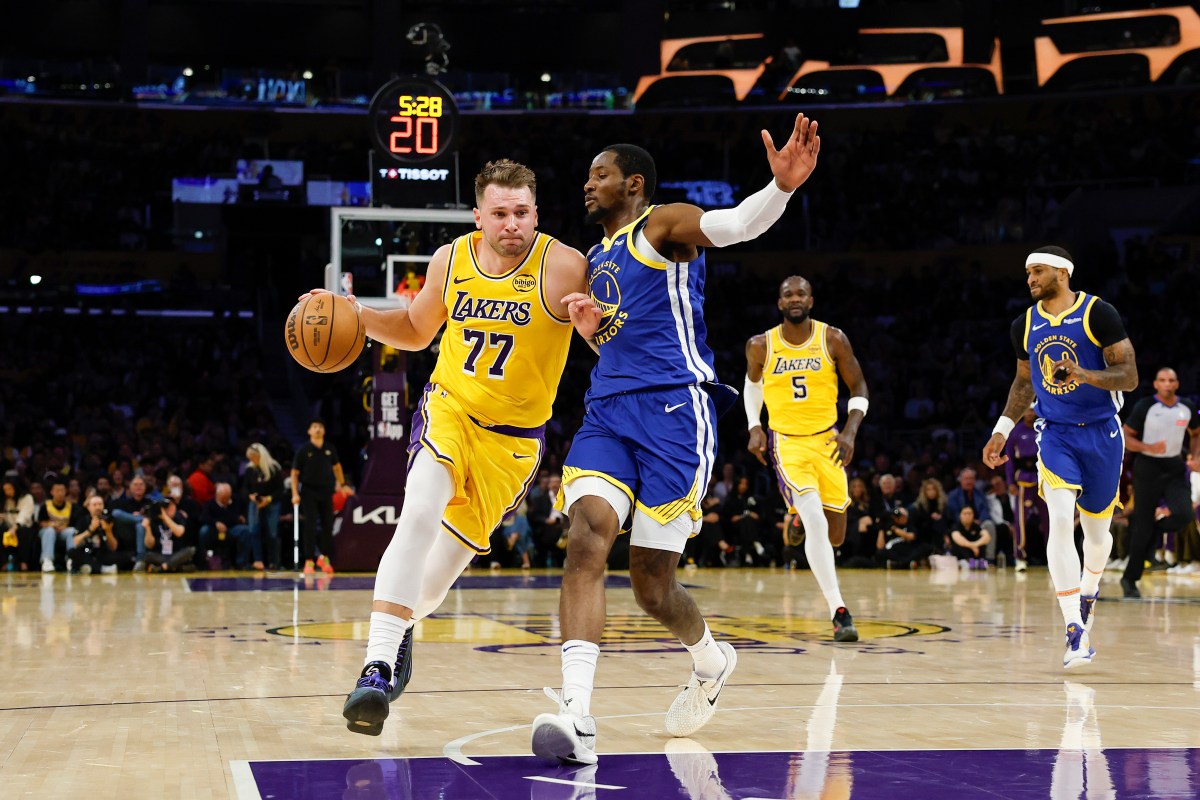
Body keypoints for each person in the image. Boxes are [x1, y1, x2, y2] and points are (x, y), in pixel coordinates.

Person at [532, 113, 822, 765]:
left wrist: (780, 188)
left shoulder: (661, 226)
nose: (588, 183)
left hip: (674, 414)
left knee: (652, 586)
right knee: (586, 538)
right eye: (586, 175)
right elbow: (621, 340)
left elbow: (736, 225)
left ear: (634, 184)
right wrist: (592, 331)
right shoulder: (595, 259)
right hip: (607, 412)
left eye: (600, 174)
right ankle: (577, 714)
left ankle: (711, 661)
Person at [325, 159, 591, 737]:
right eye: (499, 213)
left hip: (512, 445)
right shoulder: (450, 260)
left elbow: (607, 342)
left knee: (432, 587)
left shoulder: (566, 267)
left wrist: (595, 329)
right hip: (449, 409)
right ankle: (374, 668)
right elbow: (417, 331)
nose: (511, 224)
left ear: (536, 214)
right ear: (478, 216)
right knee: (418, 514)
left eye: (521, 212)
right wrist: (359, 317)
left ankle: (401, 630)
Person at [982, 246, 1138, 669]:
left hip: (1103, 433)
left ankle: (1088, 593)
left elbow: (1129, 376)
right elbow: (1023, 383)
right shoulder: (1024, 324)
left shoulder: (1098, 314)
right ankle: (1074, 629)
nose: (1030, 279)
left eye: (1038, 271)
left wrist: (1085, 373)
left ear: (1062, 273)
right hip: (1055, 434)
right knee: (1060, 520)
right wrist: (1001, 430)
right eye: (1028, 273)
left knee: (1097, 536)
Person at [745, 274, 867, 640]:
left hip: (828, 441)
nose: (795, 298)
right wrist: (754, 425)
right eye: (788, 294)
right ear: (780, 302)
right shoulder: (760, 345)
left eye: (801, 293)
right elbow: (753, 385)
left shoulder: (833, 339)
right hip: (788, 444)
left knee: (836, 536)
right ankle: (839, 611)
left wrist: (850, 431)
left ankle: (796, 515)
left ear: (811, 301)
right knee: (815, 519)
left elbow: (859, 386)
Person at [1119, 367, 1200, 597]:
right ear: (1155, 384)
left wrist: (1195, 456)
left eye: (1171, 380)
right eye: (1162, 380)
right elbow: (1126, 435)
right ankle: (1129, 580)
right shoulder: (1145, 406)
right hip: (1148, 467)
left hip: (1174, 466)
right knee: (1142, 527)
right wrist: (1147, 447)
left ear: (1177, 384)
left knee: (1184, 515)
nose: (1167, 384)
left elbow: (1196, 433)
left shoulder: (1186, 407)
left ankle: (1152, 532)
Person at [290, 419, 345, 575]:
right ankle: (309, 560)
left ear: (324, 431)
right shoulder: (303, 450)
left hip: (327, 491)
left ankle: (324, 558)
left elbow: (337, 467)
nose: (318, 429)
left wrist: (341, 484)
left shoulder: (329, 449)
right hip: (309, 492)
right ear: (309, 431)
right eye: (314, 427)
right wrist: (294, 493)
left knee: (328, 525)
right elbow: (294, 473)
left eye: (320, 427)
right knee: (310, 525)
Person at [1005, 407, 1047, 572]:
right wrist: (1010, 482)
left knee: (1050, 520)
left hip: (1044, 479)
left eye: (1032, 410)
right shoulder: (1015, 432)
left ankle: (1053, 557)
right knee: (1020, 520)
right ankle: (1020, 557)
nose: (1029, 413)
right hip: (1023, 480)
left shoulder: (1043, 427)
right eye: (1027, 410)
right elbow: (1009, 459)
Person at [244, 443, 285, 570]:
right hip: (255, 503)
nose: (252, 460)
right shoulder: (250, 469)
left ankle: (274, 561)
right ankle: (258, 560)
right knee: (253, 530)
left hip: (272, 502)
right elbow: (245, 487)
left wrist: (269, 499)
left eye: (254, 457)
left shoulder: (274, 468)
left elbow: (280, 489)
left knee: (272, 532)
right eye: (250, 458)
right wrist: (251, 496)